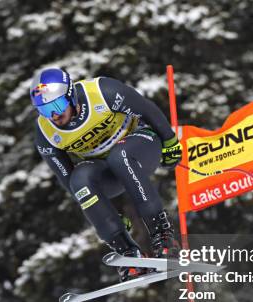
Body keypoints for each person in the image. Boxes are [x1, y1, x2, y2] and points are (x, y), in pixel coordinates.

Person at [29, 67, 182, 281]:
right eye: (45, 110)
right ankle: (128, 254)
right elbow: (67, 177)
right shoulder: (46, 132)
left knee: (120, 156)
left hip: (142, 145)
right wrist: (107, 214)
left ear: (71, 95)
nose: (54, 115)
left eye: (57, 104)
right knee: (80, 179)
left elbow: (146, 109)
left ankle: (164, 238)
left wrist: (169, 141)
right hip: (107, 169)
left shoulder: (102, 92)